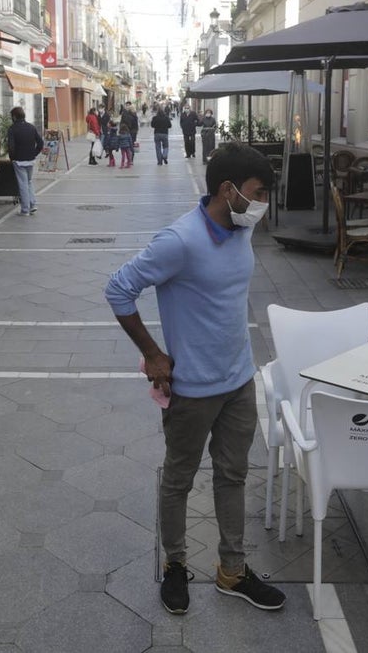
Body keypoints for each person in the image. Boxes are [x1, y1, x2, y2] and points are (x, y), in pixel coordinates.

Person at [104, 144, 282, 617]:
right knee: (179, 479)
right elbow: (118, 288)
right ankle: (177, 565)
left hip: (239, 379)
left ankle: (232, 570)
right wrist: (153, 354)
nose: (263, 203)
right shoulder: (178, 241)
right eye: (258, 193)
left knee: (233, 475)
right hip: (192, 390)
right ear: (228, 190)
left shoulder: (241, 228)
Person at [6, 105, 44, 215]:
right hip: (30, 160)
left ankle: (25, 209)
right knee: (29, 182)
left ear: (14, 117)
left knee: (22, 184)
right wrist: (34, 153)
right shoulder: (31, 127)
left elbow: (11, 146)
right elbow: (40, 143)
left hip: (19, 160)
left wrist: (12, 158)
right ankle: (32, 204)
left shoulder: (12, 129)